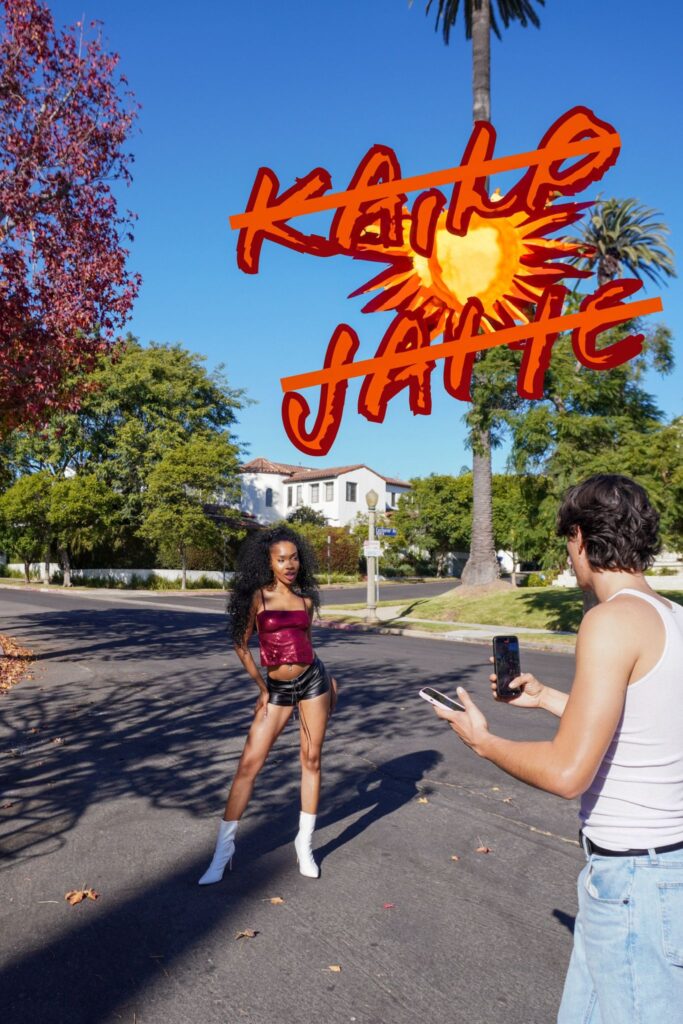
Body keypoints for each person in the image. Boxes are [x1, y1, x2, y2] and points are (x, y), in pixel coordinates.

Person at [432, 474, 683, 1023]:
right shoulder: (671, 616)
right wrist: (546, 697)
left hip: (634, 883)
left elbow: (569, 772)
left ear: (579, 538)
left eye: (569, 544)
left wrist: (484, 742)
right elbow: (642, 724)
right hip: (654, 871)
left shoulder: (609, 620)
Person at [199, 525, 337, 885]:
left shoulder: (306, 600)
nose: (289, 565)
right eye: (282, 559)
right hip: (277, 688)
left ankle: (304, 844)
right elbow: (241, 644)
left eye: (294, 558)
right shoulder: (258, 599)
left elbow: (306, 643)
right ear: (269, 563)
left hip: (314, 683)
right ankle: (223, 853)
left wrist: (328, 684)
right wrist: (262, 687)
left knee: (311, 760)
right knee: (249, 765)